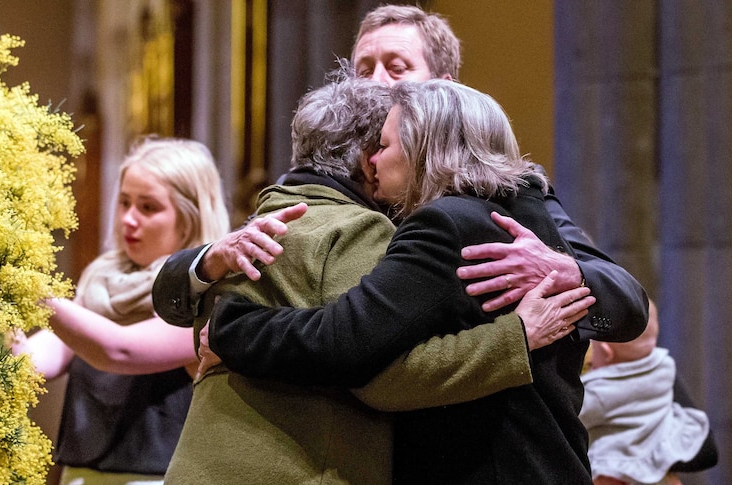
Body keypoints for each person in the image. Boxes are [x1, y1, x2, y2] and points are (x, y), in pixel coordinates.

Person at [159, 74, 593, 485]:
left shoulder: (441, 223)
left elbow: (351, 345)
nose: (374, 161)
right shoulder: (529, 219)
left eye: (384, 146)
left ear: (422, 147)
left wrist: (231, 329)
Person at [153, 4, 647, 345]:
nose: (374, 84)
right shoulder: (321, 179)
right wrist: (211, 260)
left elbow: (628, 305)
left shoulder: (505, 188)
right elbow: (179, 300)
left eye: (396, 67)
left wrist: (570, 275)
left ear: (442, 88)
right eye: (362, 67)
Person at [15, 137, 230, 484]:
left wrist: (28, 288)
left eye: (148, 208)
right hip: (79, 475)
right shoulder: (101, 279)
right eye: (125, 202)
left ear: (189, 218)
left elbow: (118, 349)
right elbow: (37, 360)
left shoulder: (204, 294)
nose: (129, 219)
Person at [580, 299, 717, 485]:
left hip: (617, 470)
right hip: (658, 468)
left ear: (606, 351)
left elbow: (570, 417)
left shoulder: (602, 391)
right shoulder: (664, 365)